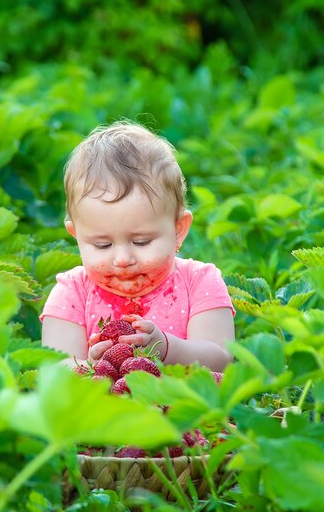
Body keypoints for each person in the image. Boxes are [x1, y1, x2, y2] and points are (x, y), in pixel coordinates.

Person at [40, 121, 235, 372]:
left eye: (141, 242)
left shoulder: (199, 282)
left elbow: (221, 359)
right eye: (102, 245)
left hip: (181, 406)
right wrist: (90, 366)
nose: (122, 258)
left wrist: (166, 348)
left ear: (178, 230)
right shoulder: (72, 292)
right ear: (76, 236)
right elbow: (53, 369)